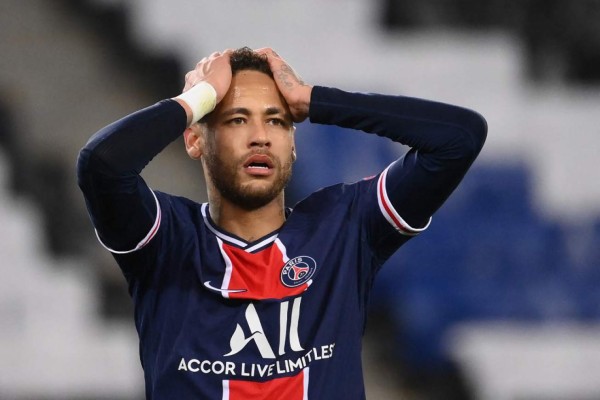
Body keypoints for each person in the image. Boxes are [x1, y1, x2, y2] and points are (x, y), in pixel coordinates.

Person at [77, 47, 487, 399]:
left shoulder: (344, 228)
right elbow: (103, 165)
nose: (261, 136)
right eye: (237, 119)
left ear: (292, 141)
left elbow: (459, 139)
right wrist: (199, 98)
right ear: (195, 139)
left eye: (276, 120)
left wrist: (313, 100)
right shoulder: (165, 241)